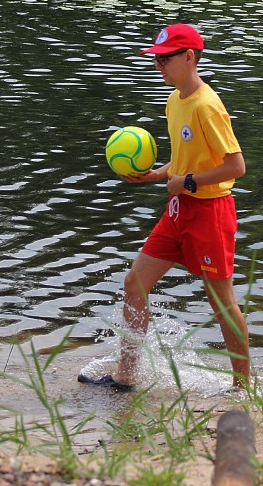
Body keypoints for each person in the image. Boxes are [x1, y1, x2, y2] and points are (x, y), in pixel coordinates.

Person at [80, 23, 250, 392]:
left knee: (221, 302)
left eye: (165, 59)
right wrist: (159, 174)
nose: (159, 66)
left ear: (189, 56)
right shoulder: (174, 100)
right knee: (134, 283)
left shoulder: (208, 105)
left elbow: (235, 165)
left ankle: (243, 388)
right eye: (156, 60)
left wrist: (187, 183)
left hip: (211, 212)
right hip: (179, 209)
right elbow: (186, 157)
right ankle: (126, 375)